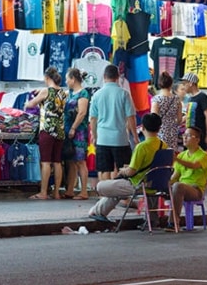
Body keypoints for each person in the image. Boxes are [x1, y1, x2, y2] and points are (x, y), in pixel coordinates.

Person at [88, 113, 166, 223]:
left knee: (101, 186)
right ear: (159, 128)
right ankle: (152, 219)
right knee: (118, 188)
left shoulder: (142, 147)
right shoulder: (163, 145)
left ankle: (97, 212)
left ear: (143, 127)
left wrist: (123, 170)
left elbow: (131, 172)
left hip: (138, 184)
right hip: (156, 185)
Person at [25, 66, 67, 200]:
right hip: (60, 130)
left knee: (45, 162)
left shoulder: (45, 91)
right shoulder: (63, 92)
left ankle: (43, 192)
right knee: (57, 162)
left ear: (47, 78)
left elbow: (31, 104)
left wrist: (28, 102)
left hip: (47, 130)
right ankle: (56, 193)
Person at [89, 64, 138, 181]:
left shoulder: (97, 95)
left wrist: (94, 136)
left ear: (104, 77)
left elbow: (93, 119)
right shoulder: (124, 94)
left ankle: (105, 192)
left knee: (104, 170)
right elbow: (131, 117)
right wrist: (135, 137)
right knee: (123, 170)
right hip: (120, 139)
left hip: (102, 138)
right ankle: (121, 193)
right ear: (117, 77)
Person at [168, 127, 207, 231]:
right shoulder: (182, 155)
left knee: (178, 186)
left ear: (197, 139)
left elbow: (194, 165)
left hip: (196, 190)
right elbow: (175, 176)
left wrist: (176, 159)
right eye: (184, 135)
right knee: (170, 186)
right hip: (181, 188)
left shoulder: (204, 155)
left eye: (188, 136)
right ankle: (152, 220)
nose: (185, 138)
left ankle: (173, 223)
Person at [63, 68, 91, 200]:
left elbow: (82, 113)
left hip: (79, 131)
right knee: (71, 161)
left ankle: (84, 191)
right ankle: (70, 190)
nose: (66, 81)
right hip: (69, 129)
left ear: (73, 79)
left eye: (67, 79)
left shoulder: (83, 93)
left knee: (80, 161)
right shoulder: (70, 93)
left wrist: (73, 128)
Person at [151, 71, 182, 150]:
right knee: (171, 154)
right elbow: (179, 119)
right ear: (171, 84)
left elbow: (153, 120)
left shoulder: (156, 100)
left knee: (160, 153)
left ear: (160, 84)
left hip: (160, 132)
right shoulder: (177, 99)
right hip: (172, 132)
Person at [181, 73, 207, 147]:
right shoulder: (190, 98)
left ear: (191, 83)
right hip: (189, 135)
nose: (183, 86)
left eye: (185, 84)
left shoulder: (202, 97)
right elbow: (188, 115)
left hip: (199, 135)